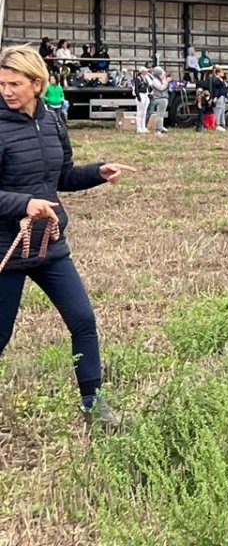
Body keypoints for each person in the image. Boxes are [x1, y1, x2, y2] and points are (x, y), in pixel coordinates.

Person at [0, 45, 137, 428]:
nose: (7, 91)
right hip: (6, 247)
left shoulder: (54, 121)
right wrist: (23, 203)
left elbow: (60, 178)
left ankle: (94, 405)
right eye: (2, 84)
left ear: (37, 84)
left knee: (83, 320)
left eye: (15, 84)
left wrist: (96, 173)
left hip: (49, 243)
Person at [149, 67, 170, 135]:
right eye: (161, 73)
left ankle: (161, 126)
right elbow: (161, 88)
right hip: (160, 98)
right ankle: (158, 129)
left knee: (161, 115)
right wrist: (166, 82)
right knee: (160, 115)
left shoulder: (160, 80)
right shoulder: (155, 80)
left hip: (164, 98)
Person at [132, 66, 150, 134]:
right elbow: (136, 89)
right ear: (142, 72)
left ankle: (143, 126)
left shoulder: (145, 78)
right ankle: (139, 127)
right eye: (145, 71)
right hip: (141, 95)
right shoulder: (138, 79)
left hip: (145, 95)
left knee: (144, 112)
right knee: (139, 112)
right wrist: (138, 97)